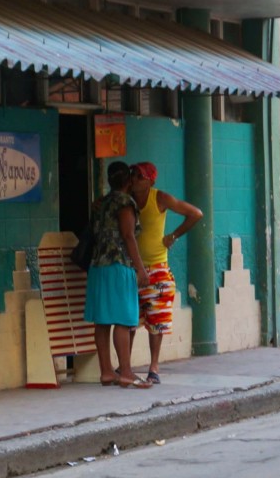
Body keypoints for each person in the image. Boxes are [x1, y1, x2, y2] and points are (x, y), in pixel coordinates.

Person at [128, 161, 203, 384]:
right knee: (129, 321)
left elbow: (195, 213)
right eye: (133, 174)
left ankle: (154, 367)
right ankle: (125, 366)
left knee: (156, 322)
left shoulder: (159, 198)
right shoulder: (127, 200)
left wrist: (174, 235)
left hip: (157, 269)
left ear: (151, 180)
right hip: (130, 268)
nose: (134, 178)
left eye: (139, 175)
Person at [84, 160, 151, 389]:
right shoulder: (125, 202)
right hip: (118, 264)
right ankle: (126, 372)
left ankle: (106, 372)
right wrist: (140, 268)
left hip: (97, 265)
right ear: (128, 181)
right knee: (123, 319)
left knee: (102, 321)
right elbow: (128, 235)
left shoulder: (100, 203)